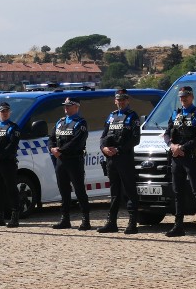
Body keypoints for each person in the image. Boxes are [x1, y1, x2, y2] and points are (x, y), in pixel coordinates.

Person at [165, 86, 196, 239]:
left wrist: (183, 147)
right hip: (177, 157)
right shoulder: (175, 113)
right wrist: (172, 146)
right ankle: (178, 226)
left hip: (191, 157)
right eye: (181, 97)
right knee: (178, 192)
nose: (183, 99)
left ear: (192, 97)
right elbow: (167, 134)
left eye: (186, 96)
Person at [98, 89, 143, 235]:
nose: (121, 102)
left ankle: (132, 223)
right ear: (115, 100)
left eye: (124, 99)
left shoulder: (132, 116)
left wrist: (119, 149)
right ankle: (112, 223)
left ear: (128, 100)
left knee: (129, 190)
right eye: (119, 99)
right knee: (114, 192)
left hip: (125, 158)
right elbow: (103, 136)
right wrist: (103, 148)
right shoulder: (111, 116)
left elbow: (135, 139)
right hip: (111, 160)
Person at [49, 97, 91, 230]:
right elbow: (51, 138)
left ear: (76, 107)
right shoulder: (60, 122)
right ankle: (65, 219)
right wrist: (52, 148)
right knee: (63, 190)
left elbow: (77, 141)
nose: (66, 108)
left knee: (79, 190)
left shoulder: (80, 122)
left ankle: (85, 220)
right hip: (60, 161)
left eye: (69, 106)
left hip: (74, 160)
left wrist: (60, 150)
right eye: (65, 106)